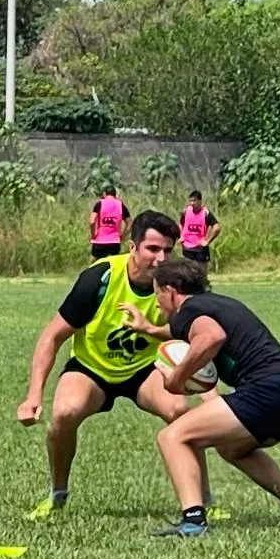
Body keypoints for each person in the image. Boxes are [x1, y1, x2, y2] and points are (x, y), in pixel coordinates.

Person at [17, 211, 223, 521]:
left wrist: (209, 392)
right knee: (64, 413)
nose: (161, 258)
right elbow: (52, 336)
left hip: (146, 369)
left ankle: (204, 501)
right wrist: (34, 396)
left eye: (167, 250)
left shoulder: (175, 286)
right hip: (92, 368)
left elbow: (198, 340)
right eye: (152, 249)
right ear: (133, 247)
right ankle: (57, 495)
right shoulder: (99, 279)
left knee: (180, 412)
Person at [120, 258, 280, 537]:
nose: (156, 302)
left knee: (172, 436)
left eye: (157, 293)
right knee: (233, 449)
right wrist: (148, 329)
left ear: (170, 291)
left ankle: (193, 522)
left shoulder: (189, 310)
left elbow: (210, 337)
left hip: (268, 390)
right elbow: (191, 331)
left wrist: (177, 379)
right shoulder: (214, 304)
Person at [89, 185, 131, 260]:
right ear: (115, 194)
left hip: (100, 241)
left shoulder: (99, 204)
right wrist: (122, 237)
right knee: (112, 266)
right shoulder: (121, 205)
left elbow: (92, 222)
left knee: (94, 265)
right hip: (114, 242)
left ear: (104, 193)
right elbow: (129, 223)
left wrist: (93, 235)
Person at [180, 190, 221, 266]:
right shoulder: (185, 212)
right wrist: (181, 236)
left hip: (200, 248)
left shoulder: (205, 213)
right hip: (187, 247)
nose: (192, 203)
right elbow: (181, 224)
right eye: (190, 201)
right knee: (187, 273)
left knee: (201, 273)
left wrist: (208, 241)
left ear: (200, 201)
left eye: (194, 201)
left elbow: (217, 228)